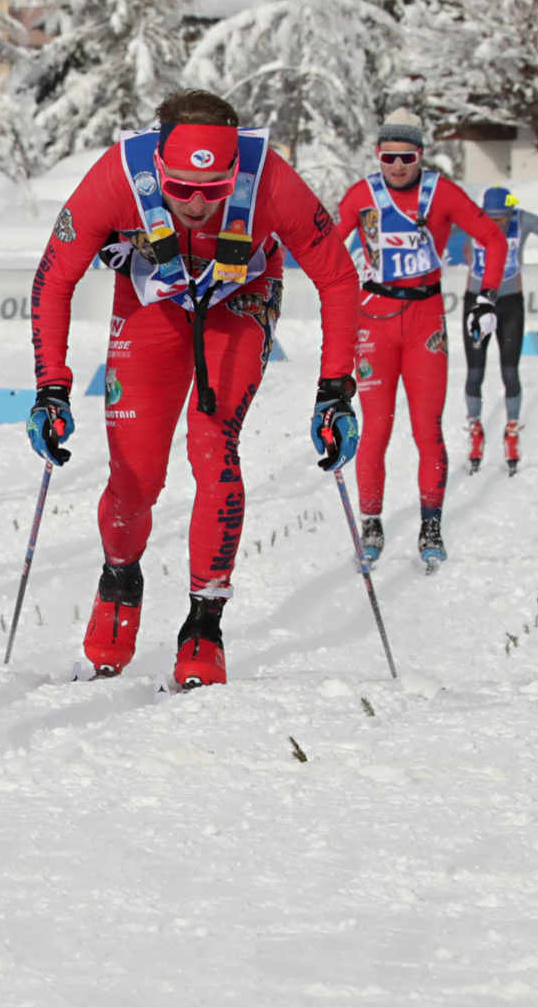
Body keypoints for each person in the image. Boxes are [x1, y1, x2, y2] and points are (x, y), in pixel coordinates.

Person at [26, 88, 362, 689]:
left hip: (241, 301)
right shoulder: (117, 177)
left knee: (214, 446)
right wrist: (52, 386)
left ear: (237, 168)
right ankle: (120, 576)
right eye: (181, 189)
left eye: (216, 189)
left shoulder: (272, 180)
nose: (199, 205)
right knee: (135, 472)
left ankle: (204, 624)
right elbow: (53, 280)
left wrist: (335, 388)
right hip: (152, 305)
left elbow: (337, 276)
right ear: (159, 169)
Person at [333, 113, 506, 570]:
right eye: (388, 157)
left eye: (406, 157)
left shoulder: (440, 193)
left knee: (426, 429)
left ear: (420, 156)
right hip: (374, 323)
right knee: (375, 431)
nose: (397, 166)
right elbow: (326, 248)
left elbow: (492, 237)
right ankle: (372, 523)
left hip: (425, 319)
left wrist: (486, 297)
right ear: (378, 156)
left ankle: (431, 525)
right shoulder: (362, 195)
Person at [461, 184, 538, 475]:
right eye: (491, 218)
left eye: (501, 219)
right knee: (475, 371)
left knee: (510, 370)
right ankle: (475, 430)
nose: (496, 224)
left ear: (510, 212)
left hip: (510, 303)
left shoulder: (521, 219)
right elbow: (438, 232)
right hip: (477, 301)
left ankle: (511, 432)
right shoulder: (471, 217)